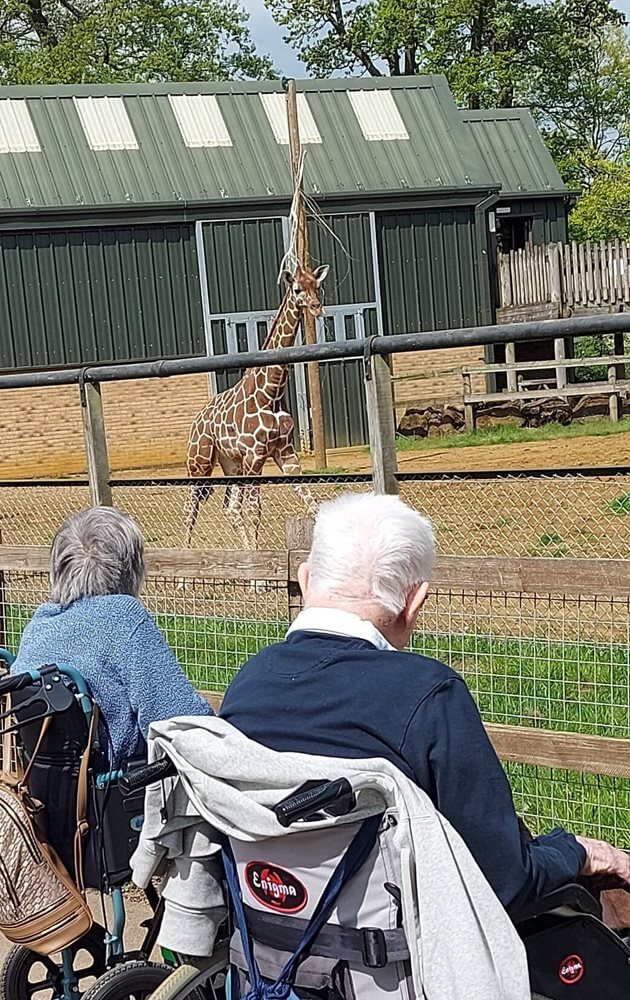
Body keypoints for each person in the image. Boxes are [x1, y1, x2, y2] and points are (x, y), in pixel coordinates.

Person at [221, 492, 630, 914]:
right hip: (401, 962)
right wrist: (576, 852)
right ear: (414, 603)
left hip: (265, 945)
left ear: (306, 580)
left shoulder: (247, 684)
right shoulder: (429, 693)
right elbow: (505, 883)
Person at [12, 506, 212, 764]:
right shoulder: (123, 616)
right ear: (132, 567)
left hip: (41, 788)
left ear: (59, 568)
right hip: (118, 790)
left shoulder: (40, 623)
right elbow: (180, 721)